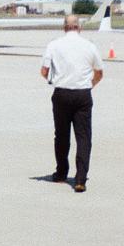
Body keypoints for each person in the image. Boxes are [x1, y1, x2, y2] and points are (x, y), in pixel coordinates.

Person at [39, 14, 104, 192]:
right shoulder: (89, 46)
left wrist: (53, 80)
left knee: (61, 135)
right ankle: (80, 179)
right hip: (82, 95)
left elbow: (44, 71)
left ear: (64, 27)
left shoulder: (54, 45)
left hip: (61, 93)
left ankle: (61, 173)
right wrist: (89, 85)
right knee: (83, 137)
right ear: (79, 27)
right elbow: (99, 73)